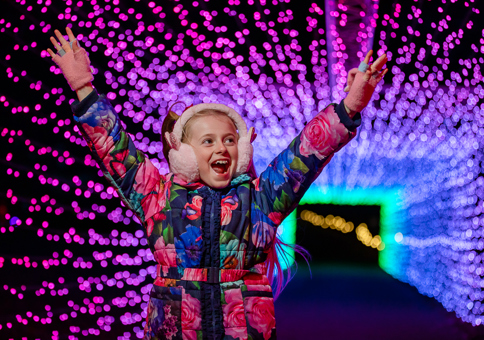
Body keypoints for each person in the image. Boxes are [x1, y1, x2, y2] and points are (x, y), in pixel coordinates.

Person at [47, 27, 387, 340]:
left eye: (229, 140)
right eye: (207, 141)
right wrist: (83, 88)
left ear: (240, 150)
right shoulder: (157, 195)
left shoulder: (262, 199)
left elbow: (307, 153)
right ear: (184, 154)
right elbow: (116, 150)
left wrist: (348, 108)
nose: (221, 147)